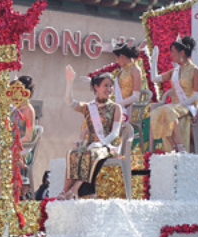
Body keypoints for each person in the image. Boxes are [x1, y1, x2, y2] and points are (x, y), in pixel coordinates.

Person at [57, 67, 123, 200]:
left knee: (90, 154)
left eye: (110, 86)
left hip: (108, 146)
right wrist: (69, 82)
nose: (109, 89)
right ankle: (64, 191)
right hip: (91, 145)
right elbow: (70, 102)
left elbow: (115, 132)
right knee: (73, 153)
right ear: (96, 87)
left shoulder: (116, 108)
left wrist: (101, 143)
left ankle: (74, 190)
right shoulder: (88, 107)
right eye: (105, 85)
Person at [148, 36, 198, 153]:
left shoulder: (195, 70)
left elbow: (197, 95)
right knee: (157, 112)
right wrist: (154, 60)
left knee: (168, 110)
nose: (171, 55)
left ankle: (180, 146)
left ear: (182, 53)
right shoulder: (175, 71)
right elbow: (154, 79)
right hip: (174, 107)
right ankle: (173, 146)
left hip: (187, 107)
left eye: (173, 51)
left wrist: (180, 104)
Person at [111, 44, 145, 122]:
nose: (116, 61)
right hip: (119, 106)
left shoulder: (135, 70)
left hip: (130, 109)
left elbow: (135, 96)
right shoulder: (121, 71)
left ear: (122, 57)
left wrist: (118, 103)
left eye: (116, 58)